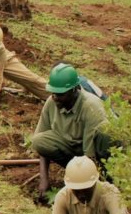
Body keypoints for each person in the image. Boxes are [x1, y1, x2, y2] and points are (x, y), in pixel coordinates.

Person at [32, 63, 112, 197]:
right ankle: (74, 171)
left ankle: (107, 177)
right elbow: (41, 146)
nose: (55, 97)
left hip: (96, 153)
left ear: (74, 90)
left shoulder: (91, 106)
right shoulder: (51, 102)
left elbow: (89, 156)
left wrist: (84, 187)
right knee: (39, 141)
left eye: (60, 94)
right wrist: (44, 180)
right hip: (73, 151)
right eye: (53, 93)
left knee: (106, 136)